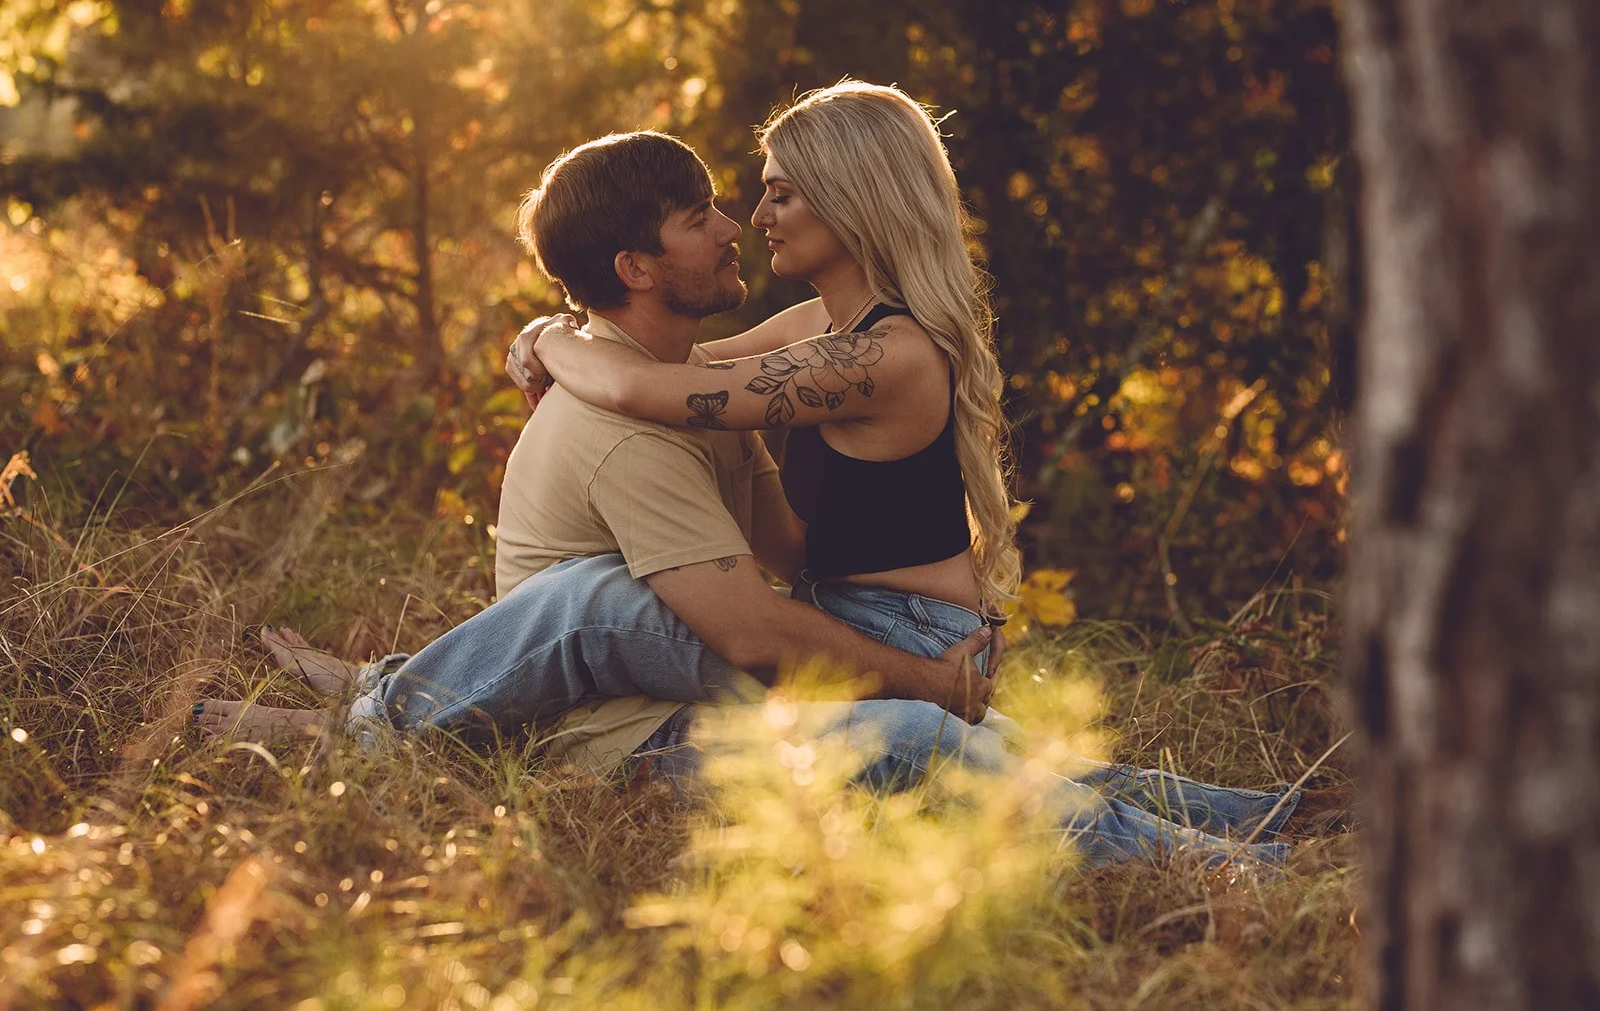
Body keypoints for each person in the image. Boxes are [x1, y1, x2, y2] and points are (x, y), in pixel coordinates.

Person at [197, 112, 1297, 867]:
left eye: (766, 197)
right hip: (631, 728)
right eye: (713, 212)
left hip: (753, 661)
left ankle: (1261, 827)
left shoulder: (775, 366)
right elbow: (749, 608)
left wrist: (549, 334)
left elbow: (726, 456)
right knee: (890, 723)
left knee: (985, 746)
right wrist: (552, 335)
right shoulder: (670, 401)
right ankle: (1225, 864)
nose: (742, 223)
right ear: (636, 266)